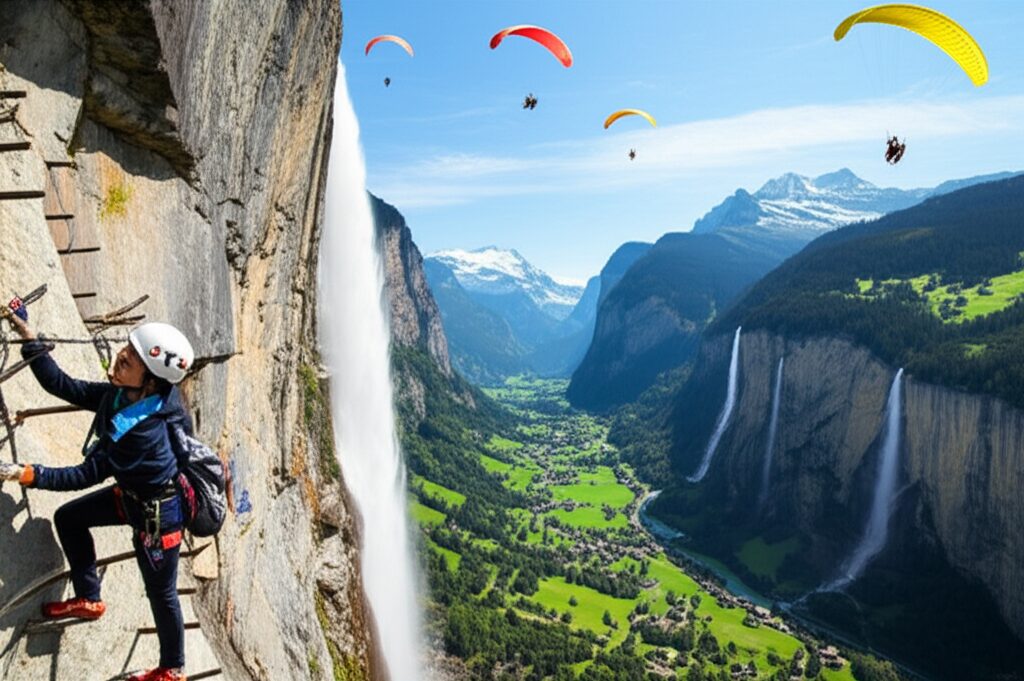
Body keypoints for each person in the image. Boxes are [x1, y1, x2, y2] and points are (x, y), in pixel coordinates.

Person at [0, 312, 195, 681]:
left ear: (151, 383)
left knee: (161, 592)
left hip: (158, 517)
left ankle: (173, 669)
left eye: (130, 360)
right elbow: (65, 386)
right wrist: (29, 335)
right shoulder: (123, 396)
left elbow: (86, 474)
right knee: (69, 518)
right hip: (135, 497)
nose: (120, 357)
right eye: (126, 350)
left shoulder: (143, 435)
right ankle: (90, 596)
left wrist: (30, 474)